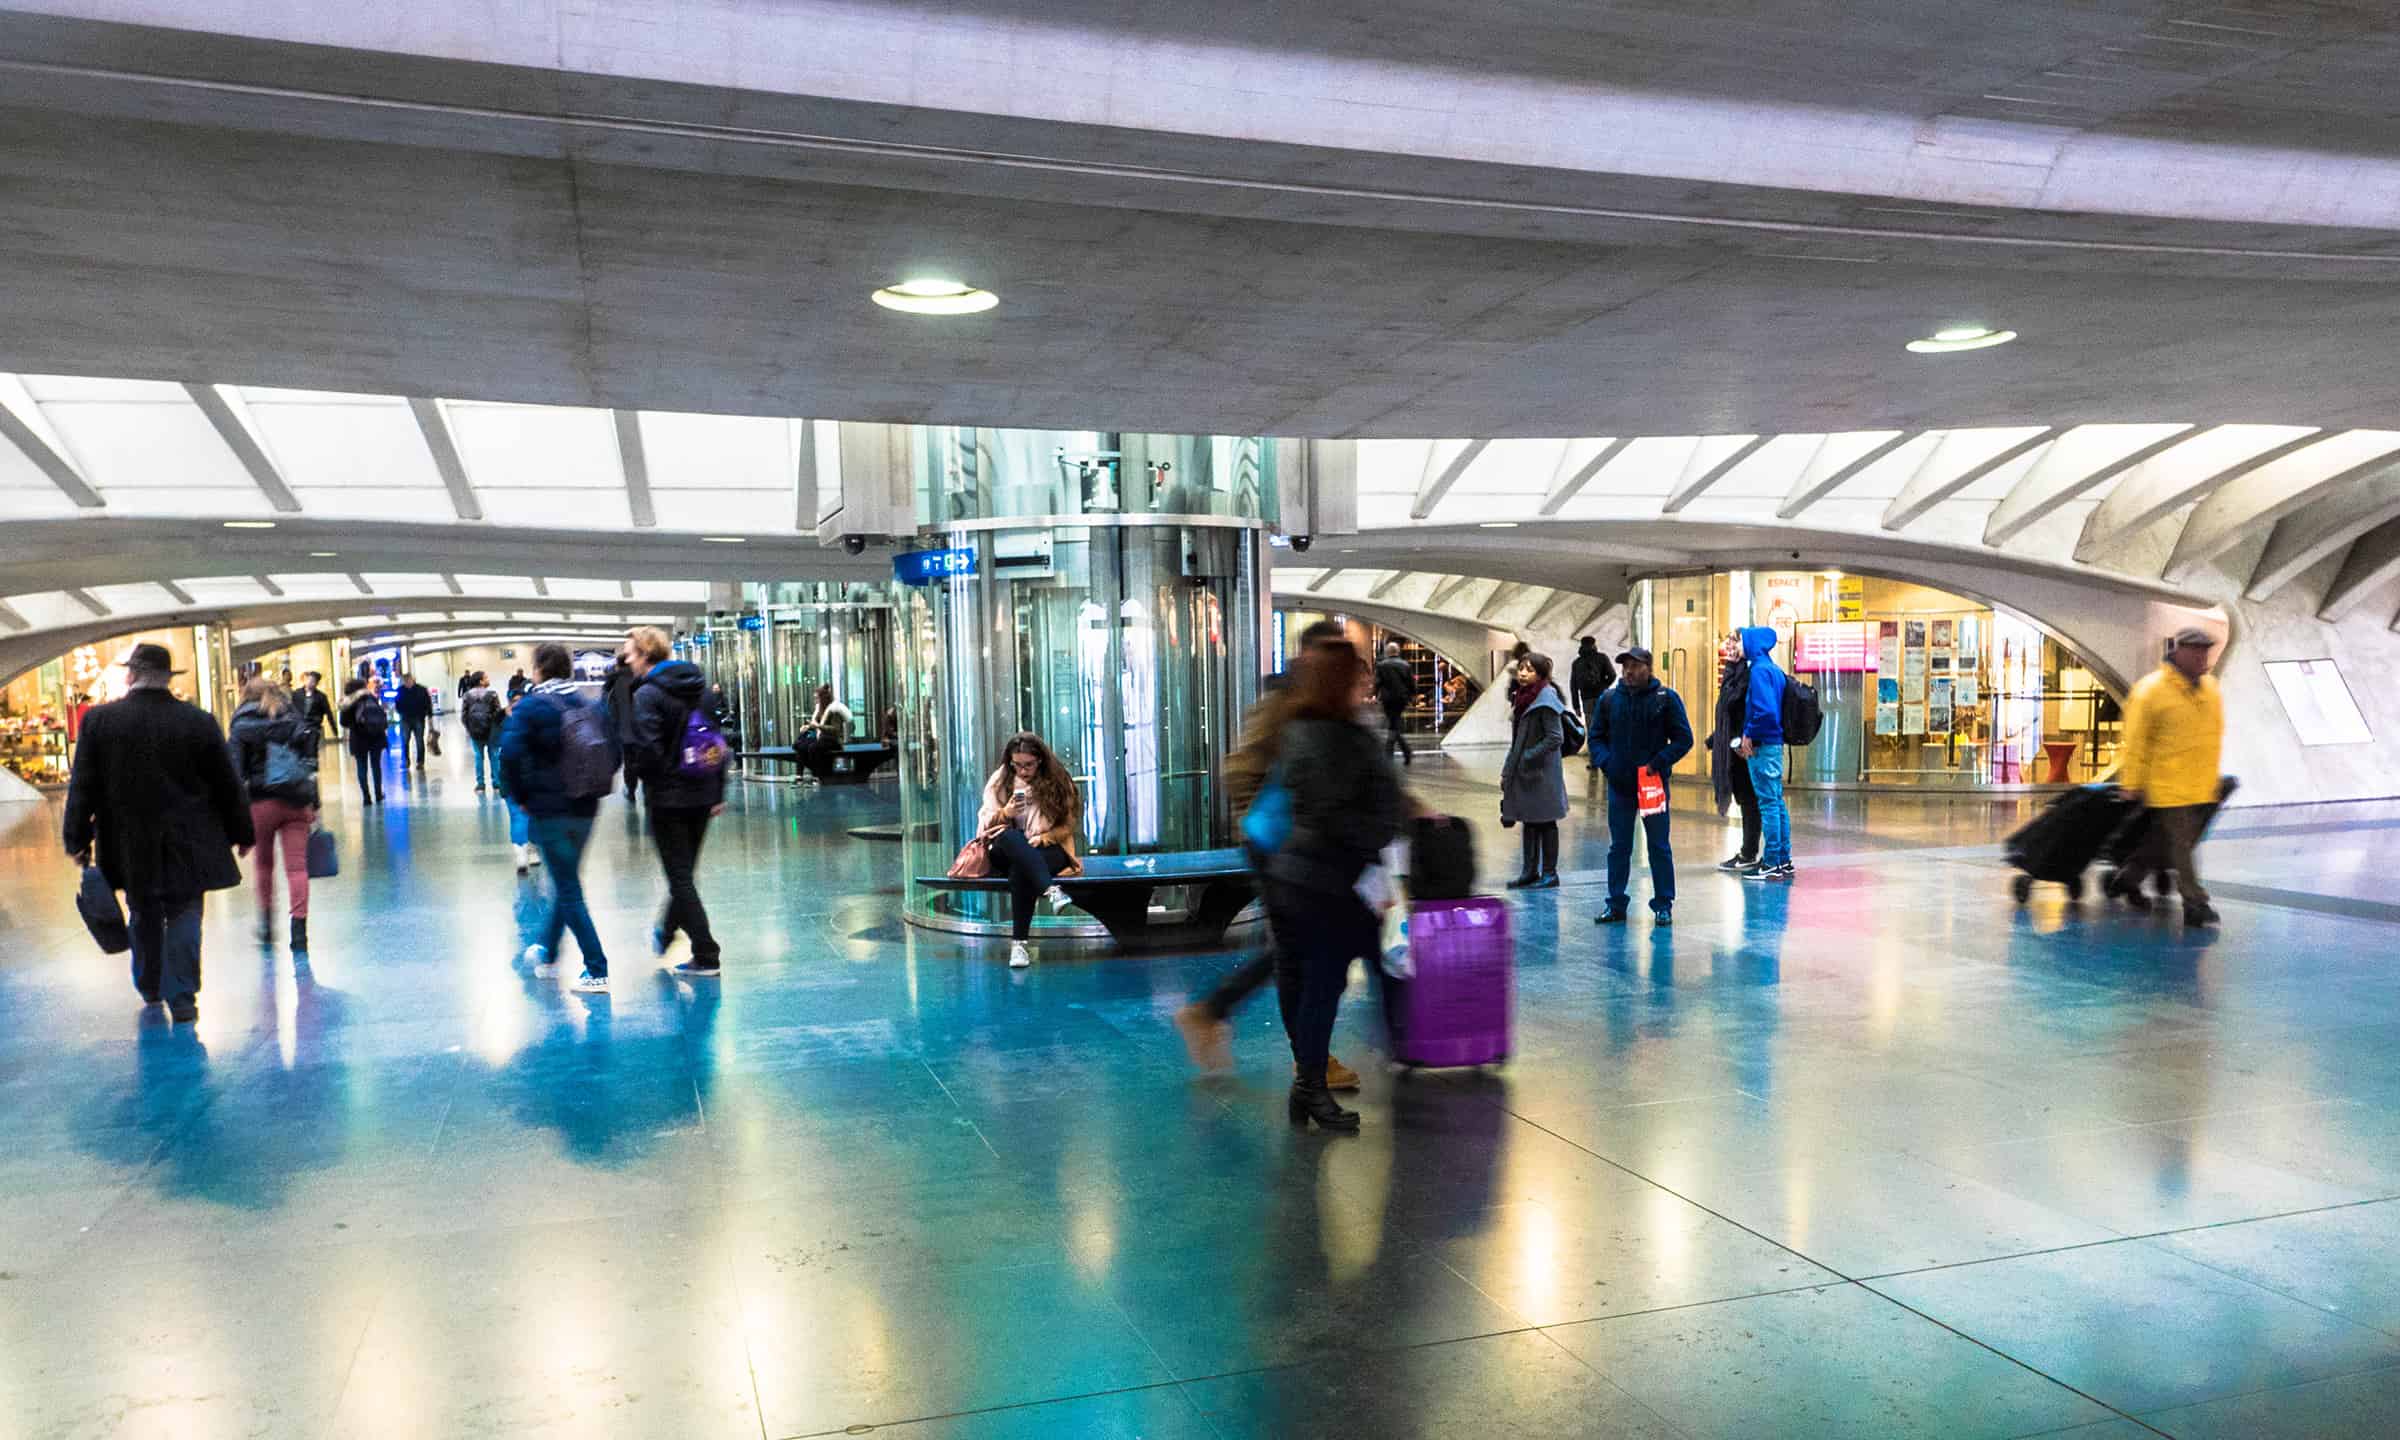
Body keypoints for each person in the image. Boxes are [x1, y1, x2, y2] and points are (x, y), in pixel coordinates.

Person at [1173, 618, 1363, 1091]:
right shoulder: (1285, 706)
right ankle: (1306, 1058)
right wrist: (1268, 830)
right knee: (1299, 954)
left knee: (1299, 950)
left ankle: (1220, 1014)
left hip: (1311, 851)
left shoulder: (1330, 708)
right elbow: (1240, 769)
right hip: (1281, 850)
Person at [62, 642, 254, 1024]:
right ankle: (183, 996)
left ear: (130, 675)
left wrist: (77, 839)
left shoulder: (100, 722)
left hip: (130, 841)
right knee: (185, 912)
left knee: (143, 910)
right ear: (168, 678)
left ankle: (149, 983)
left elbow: (83, 785)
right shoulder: (197, 721)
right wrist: (241, 831)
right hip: (190, 838)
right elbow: (226, 783)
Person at [1263, 643, 1406, 1131]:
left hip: (1316, 878)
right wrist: (1380, 826)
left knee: (1345, 980)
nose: (1366, 685)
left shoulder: (1306, 730)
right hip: (1330, 882)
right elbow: (1343, 808)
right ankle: (1311, 1087)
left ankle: (1314, 1086)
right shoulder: (1336, 736)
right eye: (1357, 677)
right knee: (1328, 985)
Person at [498, 643, 609, 991]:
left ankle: (597, 968)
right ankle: (547, 953)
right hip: (586, 807)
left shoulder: (531, 707)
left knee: (569, 889)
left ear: (539, 669)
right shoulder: (588, 704)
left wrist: (520, 798)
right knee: (566, 881)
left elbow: (510, 756)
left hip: (550, 810)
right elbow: (612, 752)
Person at [623, 626, 730, 977]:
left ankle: (706, 952)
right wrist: (717, 792)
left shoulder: (647, 695)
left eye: (631, 653)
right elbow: (718, 744)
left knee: (680, 877)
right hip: (701, 795)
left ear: (646, 655)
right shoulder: (701, 689)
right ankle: (667, 931)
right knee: (683, 874)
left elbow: (647, 750)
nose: (627, 659)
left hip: (669, 800)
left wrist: (651, 784)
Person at [2108, 627, 2224, 926]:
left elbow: (2212, 737)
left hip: (2199, 784)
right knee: (2181, 845)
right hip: (2167, 783)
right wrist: (2131, 782)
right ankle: (2195, 902)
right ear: (2179, 651)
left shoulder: (2210, 689)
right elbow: (2135, 740)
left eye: (2206, 651)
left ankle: (2129, 877)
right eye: (2196, 651)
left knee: (2165, 842)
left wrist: (2213, 779)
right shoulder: (2151, 691)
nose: (2203, 657)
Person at [1589, 646, 1693, 926]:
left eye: (1635, 666)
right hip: (1620, 785)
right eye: (1625, 667)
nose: (1629, 672)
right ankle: (1615, 903)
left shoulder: (1665, 699)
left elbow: (1685, 739)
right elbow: (1596, 737)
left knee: (1658, 846)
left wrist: (1658, 763)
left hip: (1653, 786)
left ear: (1648, 668)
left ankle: (1663, 904)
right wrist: (1607, 763)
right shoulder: (1610, 699)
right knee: (1619, 847)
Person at [974, 733, 1084, 969]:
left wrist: (1044, 838)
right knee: (1012, 838)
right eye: (1017, 766)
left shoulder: (1057, 780)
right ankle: (1052, 891)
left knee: (1021, 869)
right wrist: (1007, 813)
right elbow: (986, 826)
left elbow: (1068, 824)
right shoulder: (1000, 780)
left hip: (1047, 848)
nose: (1023, 771)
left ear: (1040, 760)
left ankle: (1019, 946)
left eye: (1028, 765)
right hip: (1006, 847)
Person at [227, 676, 321, 952]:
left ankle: (267, 925)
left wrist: (237, 819)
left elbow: (235, 775)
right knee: (297, 868)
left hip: (260, 803)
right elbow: (310, 766)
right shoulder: (294, 721)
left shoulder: (241, 727)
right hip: (296, 801)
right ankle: (299, 931)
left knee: (264, 865)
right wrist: (313, 804)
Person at [1501, 651, 1570, 888]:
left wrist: (1528, 756)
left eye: (1529, 670)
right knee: (1529, 820)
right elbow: (1517, 738)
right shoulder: (1522, 697)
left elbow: (1555, 737)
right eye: (1521, 668)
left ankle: (1550, 873)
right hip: (1526, 771)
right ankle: (1529, 871)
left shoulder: (1546, 698)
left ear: (1540, 674)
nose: (1522, 673)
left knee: (1546, 822)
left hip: (1542, 772)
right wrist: (1510, 767)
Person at [1735, 626, 1794, 883]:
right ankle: (1782, 858)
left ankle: (1770, 862)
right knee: (1777, 801)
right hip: (1774, 743)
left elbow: (1765, 712)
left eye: (1740, 641)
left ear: (1752, 644)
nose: (1737, 646)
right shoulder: (1773, 669)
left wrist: (1748, 734)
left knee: (1768, 802)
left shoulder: (1758, 671)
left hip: (1763, 745)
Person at [1705, 632, 1762, 872]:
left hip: (1745, 748)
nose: (1729, 646)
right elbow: (1730, 712)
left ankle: (1751, 853)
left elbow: (1748, 710)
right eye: (1728, 641)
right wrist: (1717, 738)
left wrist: (1741, 739)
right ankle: (1751, 852)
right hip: (1735, 745)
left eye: (1735, 641)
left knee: (1751, 801)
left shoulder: (1750, 674)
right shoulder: (1734, 673)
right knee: (1747, 800)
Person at [339, 677, 389, 807]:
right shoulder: (370, 697)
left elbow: (343, 722)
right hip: (375, 735)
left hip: (358, 738)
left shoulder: (347, 702)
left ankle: (366, 798)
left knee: (362, 767)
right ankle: (378, 794)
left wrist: (353, 723)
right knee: (376, 766)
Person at [1570, 637, 1616, 770]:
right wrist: (1604, 686)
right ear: (1594, 644)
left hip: (1587, 700)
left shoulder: (1577, 662)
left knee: (1592, 731)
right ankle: (1608, 759)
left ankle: (1594, 761)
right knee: (1607, 728)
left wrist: (1576, 705)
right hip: (1603, 698)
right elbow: (1612, 675)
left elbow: (1573, 685)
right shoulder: (1602, 658)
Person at [603, 651, 642, 802]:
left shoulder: (612, 683)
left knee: (629, 761)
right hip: (641, 728)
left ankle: (631, 789)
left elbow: (607, 708)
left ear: (618, 665)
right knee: (640, 759)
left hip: (622, 730)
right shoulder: (640, 679)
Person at [461, 671, 507, 793]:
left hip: (475, 732)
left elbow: (464, 715)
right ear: (481, 681)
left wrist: (470, 729)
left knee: (478, 757)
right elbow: (498, 714)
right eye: (486, 677)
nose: (488, 679)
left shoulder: (467, 696)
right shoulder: (492, 694)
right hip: (491, 731)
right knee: (494, 756)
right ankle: (497, 783)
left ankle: (480, 784)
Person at [1373, 640, 1415, 766]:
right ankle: (1404, 752)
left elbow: (1378, 683)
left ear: (1387, 652)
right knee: (1394, 724)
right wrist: (1411, 697)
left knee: (1393, 724)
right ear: (1398, 651)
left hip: (1387, 699)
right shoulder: (1406, 665)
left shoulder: (1381, 665)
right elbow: (1411, 684)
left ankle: (1391, 754)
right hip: (1401, 699)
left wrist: (1374, 695)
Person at [798, 684, 853, 777]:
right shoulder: (819, 709)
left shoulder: (834, 710)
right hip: (822, 738)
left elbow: (835, 730)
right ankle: (799, 775)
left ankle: (817, 775)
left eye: (817, 698)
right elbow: (816, 725)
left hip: (833, 740)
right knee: (800, 746)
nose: (815, 701)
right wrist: (808, 727)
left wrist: (818, 726)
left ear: (823, 698)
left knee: (813, 748)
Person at [394, 672, 432, 770]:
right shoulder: (400, 690)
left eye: (408, 680)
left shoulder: (422, 690)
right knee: (405, 741)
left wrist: (429, 717)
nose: (407, 682)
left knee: (419, 740)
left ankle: (420, 762)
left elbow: (428, 704)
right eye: (405, 681)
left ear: (413, 679)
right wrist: (400, 712)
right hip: (405, 719)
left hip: (418, 718)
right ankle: (406, 760)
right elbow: (397, 704)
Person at [295, 670, 338, 740]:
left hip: (314, 727)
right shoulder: (297, 693)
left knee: (312, 748)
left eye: (313, 681)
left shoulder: (321, 697)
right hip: (299, 726)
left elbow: (328, 713)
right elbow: (292, 708)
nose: (309, 682)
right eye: (308, 679)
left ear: (316, 683)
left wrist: (334, 729)